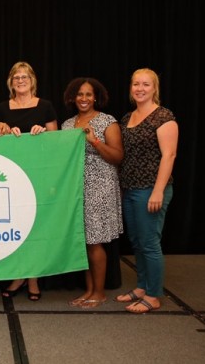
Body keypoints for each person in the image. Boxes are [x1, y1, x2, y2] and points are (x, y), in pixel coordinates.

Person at [0, 61, 58, 301]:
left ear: (32, 81)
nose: (21, 81)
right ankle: (19, 274)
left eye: (25, 77)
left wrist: (44, 132)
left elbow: (57, 140)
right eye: (16, 77)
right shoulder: (2, 108)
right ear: (11, 82)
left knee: (36, 225)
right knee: (14, 226)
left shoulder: (45, 106)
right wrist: (3, 128)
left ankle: (33, 278)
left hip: (38, 175)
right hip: (10, 176)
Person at [116, 68, 178, 314]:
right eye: (136, 84)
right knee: (137, 242)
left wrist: (158, 191)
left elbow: (169, 155)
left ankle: (153, 295)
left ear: (154, 89)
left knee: (150, 243)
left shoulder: (163, 117)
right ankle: (142, 287)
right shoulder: (127, 117)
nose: (139, 89)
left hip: (150, 189)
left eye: (145, 84)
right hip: (130, 189)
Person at [62, 78, 124, 309]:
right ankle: (89, 290)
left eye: (88, 94)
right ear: (73, 97)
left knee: (94, 241)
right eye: (79, 94)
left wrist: (95, 141)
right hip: (76, 187)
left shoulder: (107, 121)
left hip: (100, 186)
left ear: (96, 97)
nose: (84, 99)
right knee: (85, 241)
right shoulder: (68, 124)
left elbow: (117, 157)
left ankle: (99, 292)